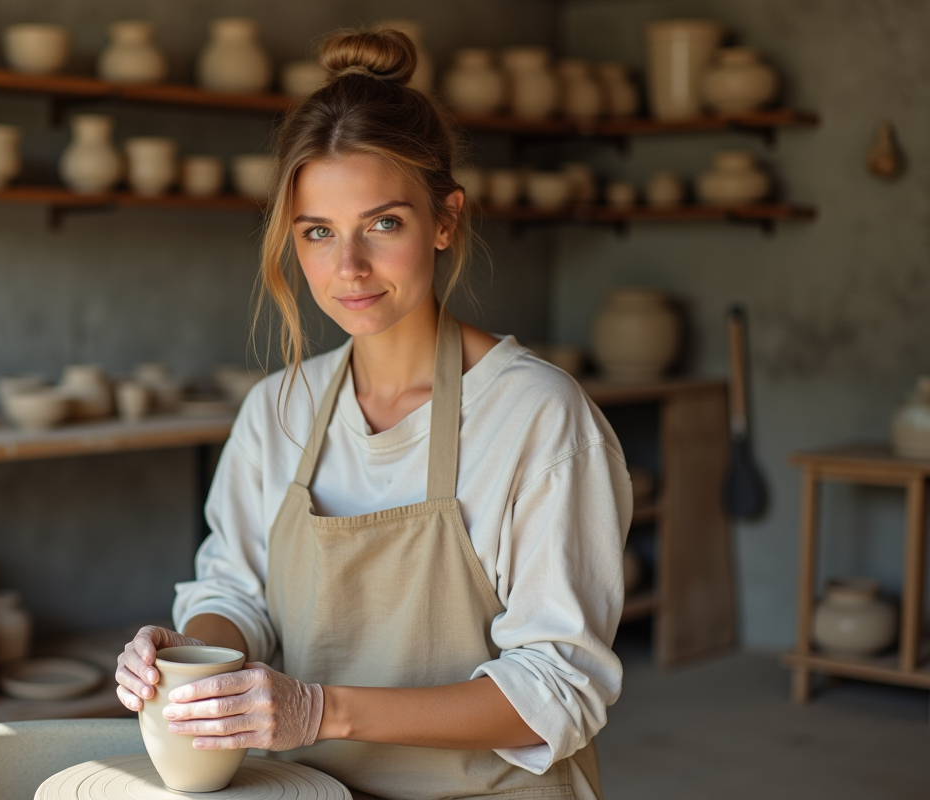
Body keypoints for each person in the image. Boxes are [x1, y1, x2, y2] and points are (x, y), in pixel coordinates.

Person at [116, 27, 632, 800]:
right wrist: (191, 655)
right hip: (305, 789)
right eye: (318, 233)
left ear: (446, 220)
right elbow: (237, 595)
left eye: (382, 224)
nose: (347, 268)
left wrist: (319, 710)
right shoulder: (277, 410)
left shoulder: (537, 417)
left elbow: (557, 689)